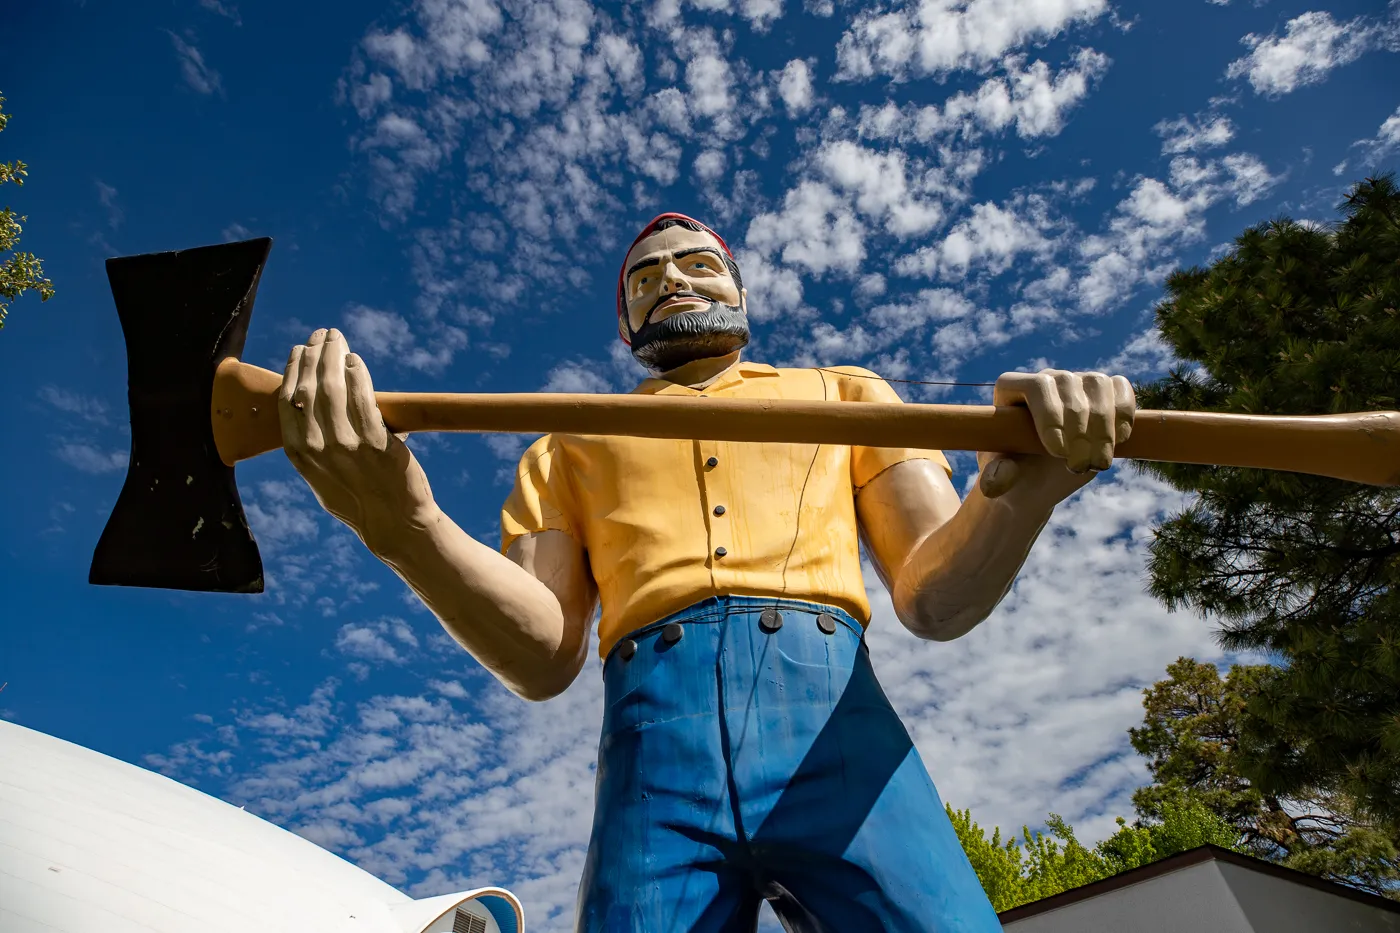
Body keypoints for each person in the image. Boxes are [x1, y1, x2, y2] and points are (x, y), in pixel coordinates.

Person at [278, 212, 1136, 932]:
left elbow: (933, 592)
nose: (672, 281)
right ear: (625, 325)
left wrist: (1016, 497)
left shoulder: (849, 395)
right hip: (653, 763)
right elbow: (542, 652)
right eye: (645, 277)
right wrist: (406, 526)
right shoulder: (564, 443)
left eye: (698, 264)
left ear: (739, 291)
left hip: (838, 739)